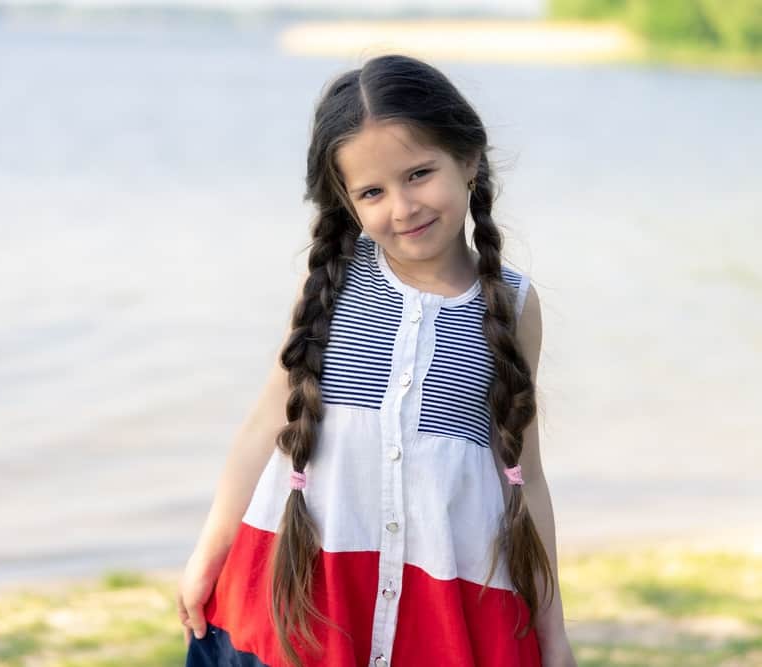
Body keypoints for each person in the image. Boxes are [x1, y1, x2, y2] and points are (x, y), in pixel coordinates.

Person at [177, 53, 577, 667]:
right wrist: (210, 550)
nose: (402, 206)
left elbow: (526, 476)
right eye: (372, 191)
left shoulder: (513, 305)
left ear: (468, 159)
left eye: (419, 173)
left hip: (441, 610)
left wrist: (552, 632)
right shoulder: (329, 289)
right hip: (304, 602)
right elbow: (265, 425)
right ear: (347, 200)